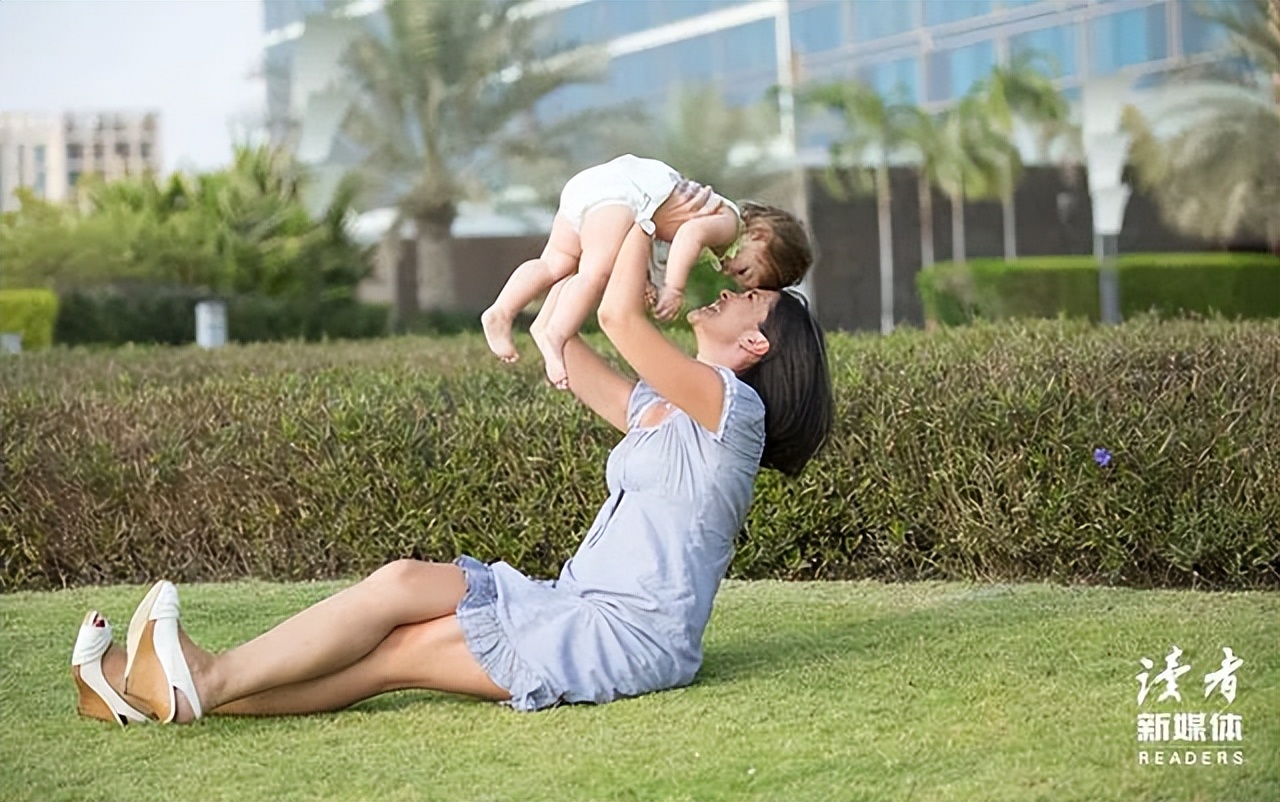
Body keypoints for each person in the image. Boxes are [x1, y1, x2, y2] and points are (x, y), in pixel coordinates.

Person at [69, 186, 833, 724]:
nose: (730, 290)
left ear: (756, 343)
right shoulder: (667, 409)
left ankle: (193, 682)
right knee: (402, 584)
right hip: (571, 600)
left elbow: (619, 317)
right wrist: (595, 248)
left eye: (750, 299)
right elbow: (566, 342)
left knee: (402, 654)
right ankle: (151, 690)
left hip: (625, 637)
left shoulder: (735, 411)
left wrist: (644, 200)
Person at [481, 154, 812, 388]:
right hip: (622, 195)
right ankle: (554, 335)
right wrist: (673, 287)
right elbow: (687, 234)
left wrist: (647, 280)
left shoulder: (718, 224)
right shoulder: (729, 226)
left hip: (599, 187)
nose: (731, 275)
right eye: (745, 273)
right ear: (759, 237)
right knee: (596, 272)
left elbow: (655, 234)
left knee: (557, 263)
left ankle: (502, 310)